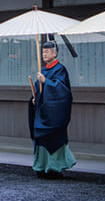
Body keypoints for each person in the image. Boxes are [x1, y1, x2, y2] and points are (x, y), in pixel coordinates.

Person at [29, 38, 75, 178]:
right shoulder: (42, 70)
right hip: (42, 111)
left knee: (54, 138)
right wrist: (35, 98)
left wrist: (46, 82)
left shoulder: (60, 69)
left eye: (47, 52)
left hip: (54, 113)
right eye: (43, 52)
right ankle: (42, 166)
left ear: (55, 54)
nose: (44, 54)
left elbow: (62, 91)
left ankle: (55, 167)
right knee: (41, 138)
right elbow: (39, 90)